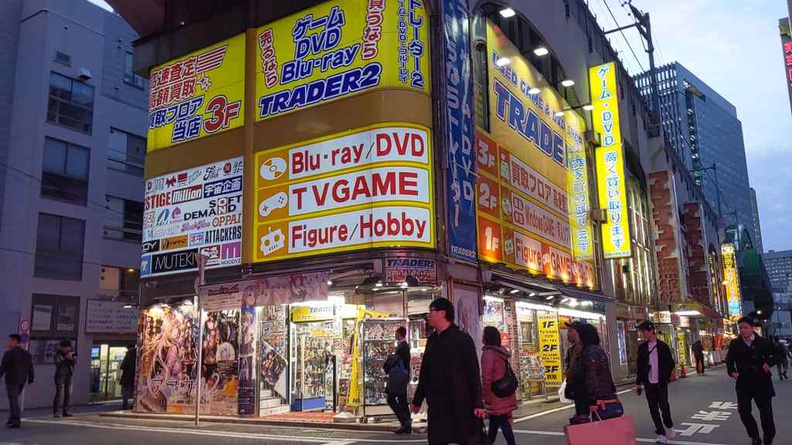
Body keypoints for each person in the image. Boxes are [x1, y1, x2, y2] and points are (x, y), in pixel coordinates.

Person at [411, 298, 486, 445]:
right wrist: (417, 400)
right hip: (437, 404)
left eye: (431, 311)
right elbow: (425, 371)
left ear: (442, 313)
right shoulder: (432, 340)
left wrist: (478, 403)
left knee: (465, 439)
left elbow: (473, 372)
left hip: (461, 402)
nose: (428, 315)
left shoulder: (463, 339)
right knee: (437, 440)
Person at [726, 317, 778, 445]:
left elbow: (778, 354)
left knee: (766, 413)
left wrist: (769, 363)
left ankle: (768, 438)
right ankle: (754, 435)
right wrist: (732, 371)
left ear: (752, 328)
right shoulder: (735, 343)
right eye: (741, 328)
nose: (743, 330)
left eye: (745, 328)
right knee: (743, 411)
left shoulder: (763, 342)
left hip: (762, 382)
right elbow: (729, 359)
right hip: (744, 382)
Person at [635, 321, 677, 444]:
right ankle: (660, 433)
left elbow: (671, 363)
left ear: (651, 330)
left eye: (644, 331)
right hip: (649, 382)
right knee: (653, 408)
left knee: (664, 406)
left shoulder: (663, 346)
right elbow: (640, 366)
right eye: (641, 331)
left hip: (661, 382)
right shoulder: (642, 348)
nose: (642, 333)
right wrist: (638, 383)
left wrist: (666, 376)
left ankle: (669, 426)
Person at [481, 326, 517, 445]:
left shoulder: (488, 354)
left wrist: (485, 397)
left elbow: (487, 378)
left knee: (502, 421)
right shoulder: (500, 351)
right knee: (495, 421)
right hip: (504, 391)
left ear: (486, 337)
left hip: (495, 394)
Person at [576, 324, 619, 421]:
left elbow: (591, 376)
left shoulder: (591, 351)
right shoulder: (597, 349)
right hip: (602, 394)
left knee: (595, 425)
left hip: (597, 397)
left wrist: (591, 400)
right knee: (604, 424)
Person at [0, 334, 34, 428]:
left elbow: (3, 367)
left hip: (11, 380)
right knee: (14, 399)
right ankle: (12, 418)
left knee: (13, 400)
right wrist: (31, 378)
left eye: (10, 341)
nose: (9, 343)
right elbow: (30, 367)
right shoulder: (26, 353)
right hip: (22, 380)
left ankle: (16, 420)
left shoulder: (9, 353)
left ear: (15, 341)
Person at [385, 326, 411, 434]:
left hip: (399, 376)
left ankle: (405, 421)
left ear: (399, 333)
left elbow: (396, 361)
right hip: (403, 376)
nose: (395, 334)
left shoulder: (402, 346)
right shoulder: (403, 346)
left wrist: (388, 367)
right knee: (402, 400)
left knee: (391, 398)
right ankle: (407, 425)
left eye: (396, 333)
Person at [563, 322, 586, 416]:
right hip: (577, 391)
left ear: (578, 333)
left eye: (570, 331)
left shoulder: (587, 349)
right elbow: (569, 366)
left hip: (587, 391)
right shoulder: (571, 350)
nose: (567, 334)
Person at [53, 339, 75, 418]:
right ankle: (56, 411)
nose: (67, 349)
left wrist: (71, 358)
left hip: (69, 374)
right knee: (59, 392)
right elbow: (57, 364)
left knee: (68, 393)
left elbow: (74, 363)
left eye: (68, 348)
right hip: (60, 375)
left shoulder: (71, 353)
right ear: (62, 347)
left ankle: (66, 410)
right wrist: (66, 358)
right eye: (65, 348)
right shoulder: (58, 354)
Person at [119, 344, 137, 410]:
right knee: (134, 392)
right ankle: (133, 404)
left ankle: (125, 405)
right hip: (134, 376)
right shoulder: (137, 354)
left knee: (125, 392)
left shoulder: (129, 354)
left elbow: (122, 366)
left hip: (126, 377)